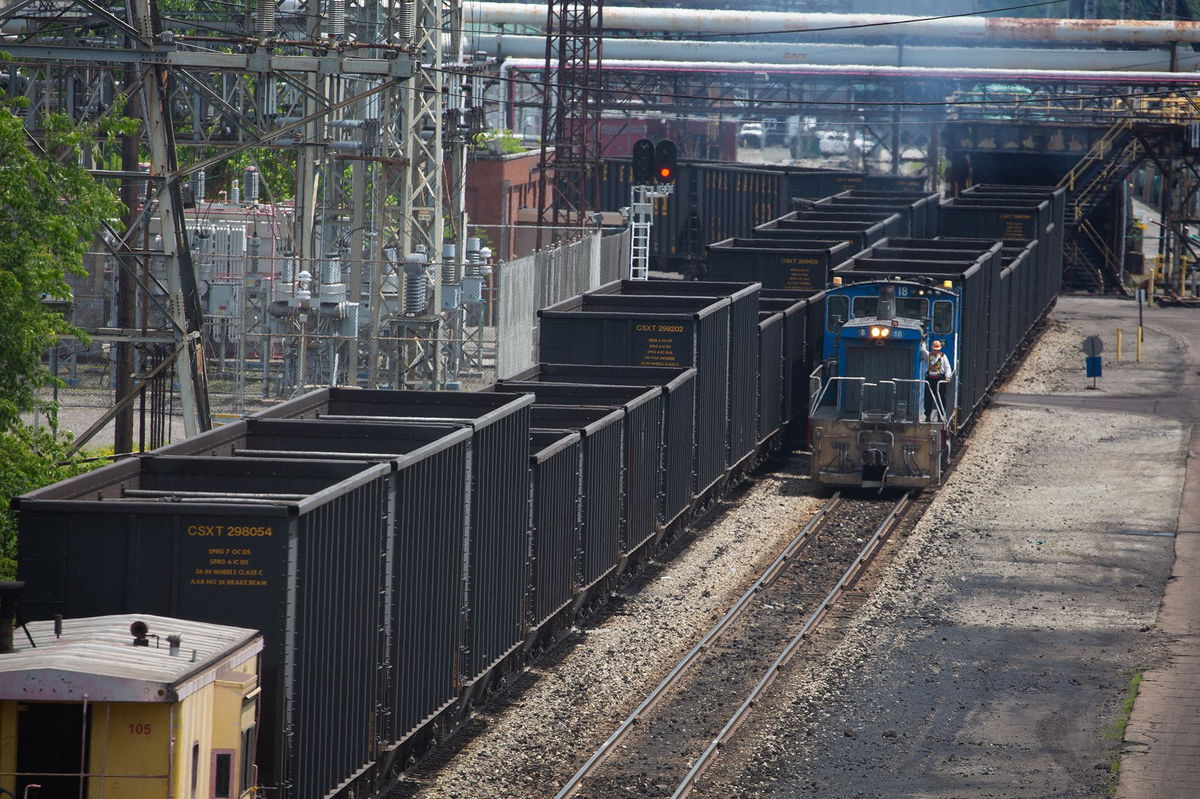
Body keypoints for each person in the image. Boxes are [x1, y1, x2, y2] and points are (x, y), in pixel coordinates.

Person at [924, 339, 953, 422]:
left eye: (937, 350)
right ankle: (928, 415)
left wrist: (948, 377)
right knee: (928, 397)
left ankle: (940, 415)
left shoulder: (943, 357)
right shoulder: (928, 355)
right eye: (934, 349)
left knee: (941, 397)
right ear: (932, 349)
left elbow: (947, 367)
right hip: (930, 379)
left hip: (940, 380)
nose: (936, 351)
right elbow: (923, 351)